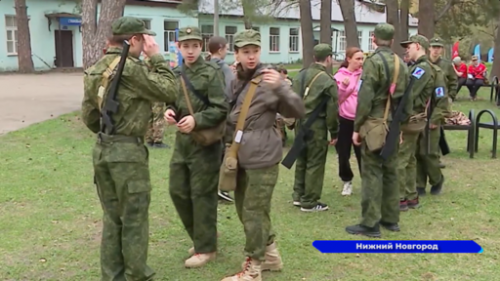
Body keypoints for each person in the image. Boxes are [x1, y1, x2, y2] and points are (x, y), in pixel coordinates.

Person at [82, 17, 178, 280]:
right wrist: (157, 57)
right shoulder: (130, 69)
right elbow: (170, 89)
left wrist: (111, 134)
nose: (146, 44)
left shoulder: (97, 68)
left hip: (103, 150)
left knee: (113, 219)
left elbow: (89, 116)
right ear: (134, 40)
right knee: (134, 219)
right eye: (143, 39)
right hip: (127, 155)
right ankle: (136, 275)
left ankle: (112, 276)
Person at [221, 29, 305, 281]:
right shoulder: (235, 79)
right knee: (244, 209)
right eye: (246, 52)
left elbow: (298, 110)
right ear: (236, 54)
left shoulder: (270, 80)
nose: (251, 57)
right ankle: (270, 256)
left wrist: (282, 88)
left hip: (262, 156)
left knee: (254, 211)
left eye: (255, 51)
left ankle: (254, 268)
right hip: (239, 153)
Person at [164, 26, 228, 268]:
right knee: (177, 190)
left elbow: (221, 108)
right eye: (185, 46)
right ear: (179, 47)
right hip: (182, 143)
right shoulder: (177, 72)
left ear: (201, 46)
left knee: (202, 195)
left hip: (205, 143)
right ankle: (202, 236)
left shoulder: (211, 71)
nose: (190, 51)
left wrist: (197, 120)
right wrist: (169, 112)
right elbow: (173, 100)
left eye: (194, 46)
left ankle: (206, 248)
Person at [345, 23, 410, 237]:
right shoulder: (402, 63)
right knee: (391, 171)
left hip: (373, 123)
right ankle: (391, 219)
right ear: (392, 40)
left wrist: (357, 127)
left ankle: (370, 223)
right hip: (393, 124)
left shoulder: (373, 63)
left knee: (372, 172)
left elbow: (365, 98)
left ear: (374, 39)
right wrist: (399, 126)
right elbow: (405, 101)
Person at [399, 35, 446, 210]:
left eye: (409, 46)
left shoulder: (427, 70)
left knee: (428, 153)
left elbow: (441, 96)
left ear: (418, 46)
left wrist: (436, 118)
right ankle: (416, 189)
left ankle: (436, 181)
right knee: (414, 155)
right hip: (418, 117)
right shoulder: (415, 67)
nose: (406, 49)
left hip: (423, 117)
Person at [290, 44, 339, 212]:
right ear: (329, 58)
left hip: (300, 124)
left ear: (314, 57)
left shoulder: (300, 75)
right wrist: (334, 131)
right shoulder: (327, 80)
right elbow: (332, 110)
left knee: (301, 159)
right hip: (317, 126)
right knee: (315, 163)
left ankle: (298, 195)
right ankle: (309, 201)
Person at [206, 36, 236, 203]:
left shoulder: (204, 66)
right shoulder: (224, 69)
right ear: (220, 49)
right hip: (223, 115)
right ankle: (221, 188)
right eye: (226, 48)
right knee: (223, 151)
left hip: (206, 115)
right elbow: (232, 92)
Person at [333, 46, 363, 196]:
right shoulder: (339, 76)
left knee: (363, 153)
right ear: (349, 59)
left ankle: (368, 181)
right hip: (344, 120)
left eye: (362, 58)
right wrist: (344, 87)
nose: (360, 62)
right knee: (343, 153)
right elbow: (336, 99)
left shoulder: (363, 75)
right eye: (357, 58)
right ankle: (347, 181)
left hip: (360, 121)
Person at [429, 37, 457, 169]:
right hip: (426, 102)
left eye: (438, 47)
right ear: (429, 48)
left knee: (437, 129)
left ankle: (436, 157)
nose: (435, 50)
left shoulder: (446, 64)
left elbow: (453, 82)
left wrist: (450, 97)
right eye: (433, 47)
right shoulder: (425, 62)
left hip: (440, 101)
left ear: (441, 49)